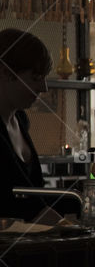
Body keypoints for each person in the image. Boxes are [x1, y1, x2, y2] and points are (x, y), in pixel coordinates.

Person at [0, 29, 55, 221]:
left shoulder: (21, 120)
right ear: (6, 73)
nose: (44, 88)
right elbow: (29, 207)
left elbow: (36, 198)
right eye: (35, 78)